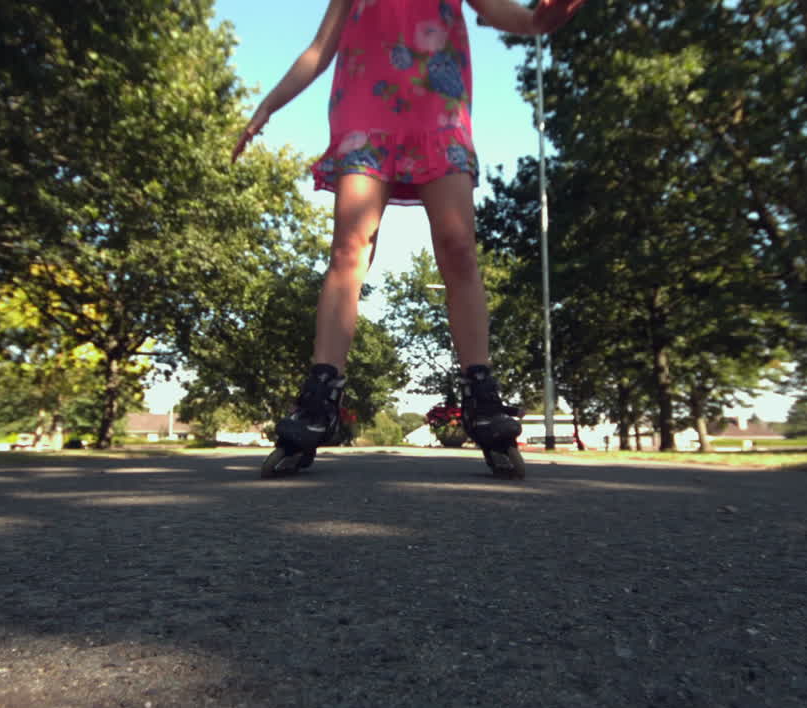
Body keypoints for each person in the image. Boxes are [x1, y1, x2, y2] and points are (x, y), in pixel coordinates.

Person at [232, 0, 585, 476]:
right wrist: (267, 107)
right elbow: (319, 49)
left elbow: (512, 15)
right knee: (349, 250)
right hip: (364, 113)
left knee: (459, 250)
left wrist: (541, 20)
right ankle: (319, 398)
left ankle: (481, 396)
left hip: (439, 113)